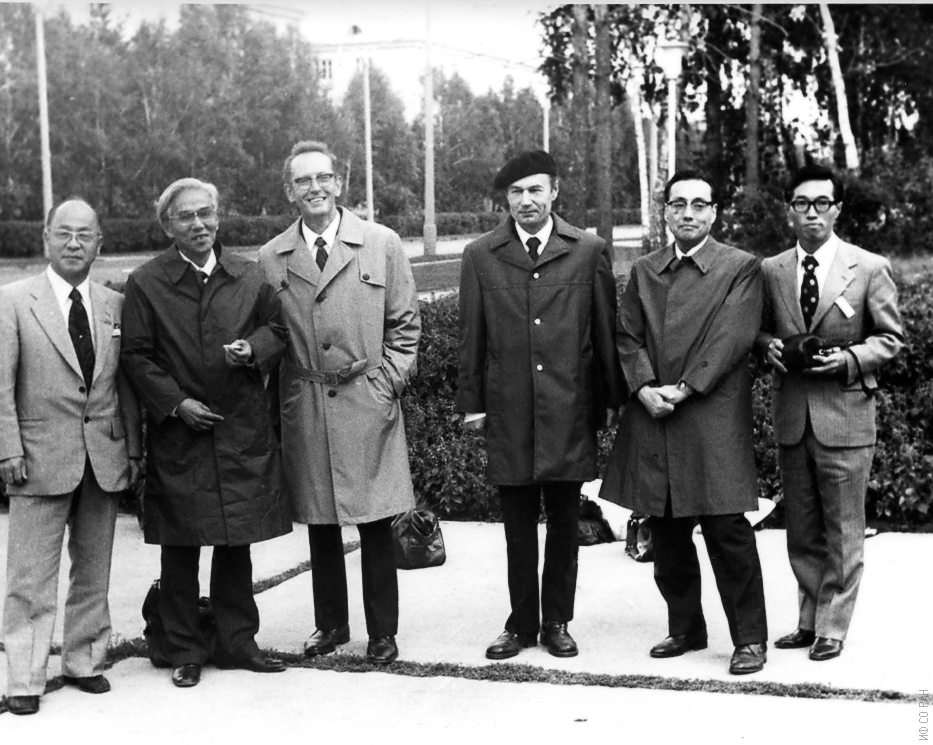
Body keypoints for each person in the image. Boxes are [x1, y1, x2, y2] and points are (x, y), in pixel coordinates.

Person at [455, 150, 626, 661]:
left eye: (535, 189)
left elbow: (605, 332)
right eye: (516, 192)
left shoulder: (588, 251)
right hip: (509, 411)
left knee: (565, 525)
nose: (526, 200)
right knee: (516, 527)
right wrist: (473, 403)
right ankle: (520, 624)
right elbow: (471, 336)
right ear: (505, 200)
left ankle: (557, 622)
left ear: (554, 192)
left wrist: (610, 400)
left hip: (569, 408)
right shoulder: (481, 255)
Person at [120, 178, 289, 688]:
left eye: (206, 213)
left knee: (237, 541)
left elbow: (278, 330)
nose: (199, 224)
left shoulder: (249, 275)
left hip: (239, 428)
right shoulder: (146, 283)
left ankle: (238, 642)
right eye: (186, 217)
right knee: (181, 545)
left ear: (218, 217)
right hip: (181, 435)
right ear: (167, 226)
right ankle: (184, 648)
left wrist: (253, 349)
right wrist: (176, 404)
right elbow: (136, 356)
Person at [600, 170, 769, 675]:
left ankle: (750, 639)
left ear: (714, 213)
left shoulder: (740, 267)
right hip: (656, 415)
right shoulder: (645, 270)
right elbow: (626, 336)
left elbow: (732, 336)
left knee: (727, 530)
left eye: (699, 204)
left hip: (712, 417)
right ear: (666, 212)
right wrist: (644, 387)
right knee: (667, 532)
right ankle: (686, 627)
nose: (688, 213)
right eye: (678, 204)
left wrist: (686, 387)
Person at [258, 141, 420, 665]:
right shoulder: (272, 256)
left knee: (375, 521)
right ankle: (330, 624)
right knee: (321, 522)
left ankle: (382, 631)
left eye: (324, 178)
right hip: (306, 403)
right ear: (289, 191)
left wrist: (387, 383)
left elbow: (405, 325)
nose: (316, 188)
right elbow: (270, 332)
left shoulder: (381, 243)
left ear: (339, 183)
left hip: (367, 399)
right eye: (304, 181)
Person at [0, 198, 142, 715]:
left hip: (103, 456)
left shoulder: (114, 304)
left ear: (100, 244)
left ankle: (84, 660)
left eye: (85, 235)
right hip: (36, 457)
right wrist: (7, 448)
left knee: (94, 570)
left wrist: (132, 448)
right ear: (46, 239)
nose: (74, 243)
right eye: (64, 233)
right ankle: (24, 678)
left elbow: (124, 384)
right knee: (30, 577)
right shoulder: (12, 300)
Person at [757, 164, 903, 661]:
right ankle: (808, 620)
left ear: (837, 209)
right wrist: (768, 346)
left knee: (843, 530)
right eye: (802, 203)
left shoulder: (869, 267)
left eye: (822, 203)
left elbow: (890, 339)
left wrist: (849, 359)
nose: (812, 213)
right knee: (802, 529)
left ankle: (833, 627)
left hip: (845, 417)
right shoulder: (772, 269)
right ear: (789, 210)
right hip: (793, 417)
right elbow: (758, 331)